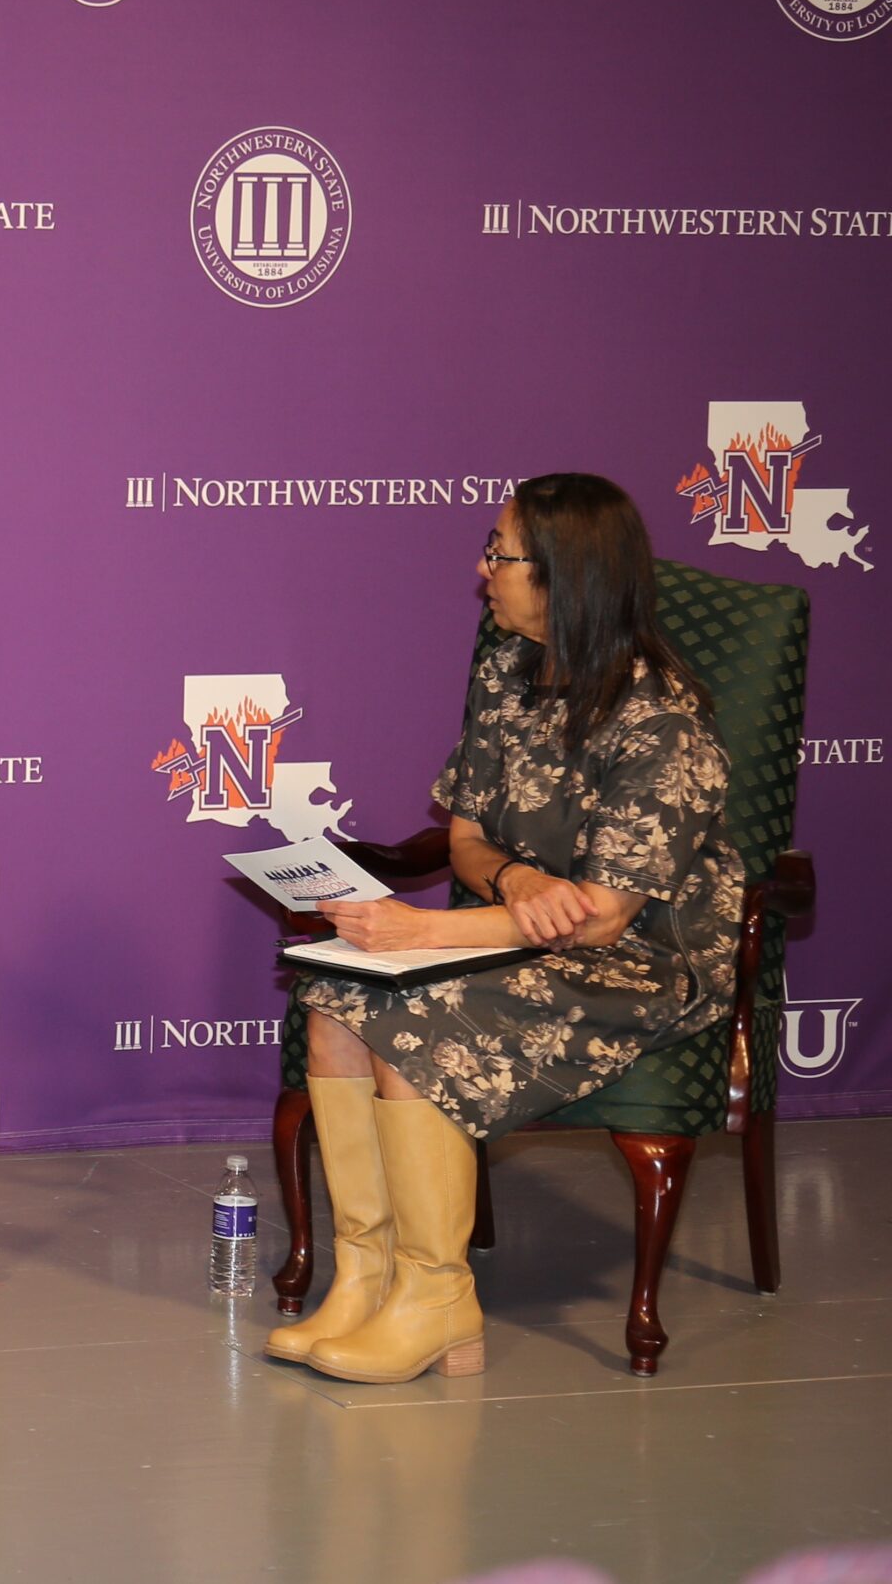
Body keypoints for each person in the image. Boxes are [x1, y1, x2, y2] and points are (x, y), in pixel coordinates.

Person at [273, 473, 744, 1384]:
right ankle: (367, 1277)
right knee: (334, 1000)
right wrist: (521, 877)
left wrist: (421, 933)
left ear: (566, 578)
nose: (482, 568)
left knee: (409, 1023)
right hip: (525, 934)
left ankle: (437, 1294)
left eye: (501, 553)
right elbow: (464, 837)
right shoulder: (508, 666)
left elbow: (605, 919)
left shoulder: (661, 722)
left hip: (642, 968)